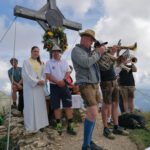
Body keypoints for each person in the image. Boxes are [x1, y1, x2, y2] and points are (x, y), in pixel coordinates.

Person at [71, 29, 105, 150]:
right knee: (93, 112)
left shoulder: (89, 51)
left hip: (94, 84)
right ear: (84, 38)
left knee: (93, 114)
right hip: (85, 84)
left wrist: (105, 52)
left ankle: (89, 142)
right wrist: (99, 52)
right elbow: (86, 63)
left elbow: (96, 63)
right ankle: (85, 146)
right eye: (90, 40)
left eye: (92, 41)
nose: (91, 43)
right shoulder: (76, 50)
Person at [94, 41, 129, 140]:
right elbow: (106, 66)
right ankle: (105, 129)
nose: (104, 47)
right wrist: (112, 53)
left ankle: (116, 127)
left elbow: (117, 62)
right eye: (102, 45)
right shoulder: (96, 55)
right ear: (97, 47)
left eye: (104, 45)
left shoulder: (106, 54)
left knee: (115, 104)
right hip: (106, 82)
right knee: (106, 106)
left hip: (114, 81)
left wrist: (115, 53)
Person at [45, 44, 76, 135]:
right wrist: (57, 81)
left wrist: (63, 80)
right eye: (54, 51)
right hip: (54, 87)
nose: (55, 53)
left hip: (64, 86)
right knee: (56, 107)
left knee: (68, 105)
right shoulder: (48, 63)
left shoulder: (64, 62)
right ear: (52, 53)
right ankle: (59, 126)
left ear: (60, 52)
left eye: (57, 51)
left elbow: (68, 72)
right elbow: (47, 75)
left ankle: (70, 126)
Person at [22, 46, 49, 132]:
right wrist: (37, 81)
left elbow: (44, 74)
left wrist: (42, 80)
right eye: (34, 51)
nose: (36, 53)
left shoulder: (41, 63)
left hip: (39, 88)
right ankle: (31, 126)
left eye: (37, 51)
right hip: (30, 88)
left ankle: (41, 124)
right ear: (31, 52)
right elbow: (26, 75)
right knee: (30, 106)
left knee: (40, 106)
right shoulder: (26, 62)